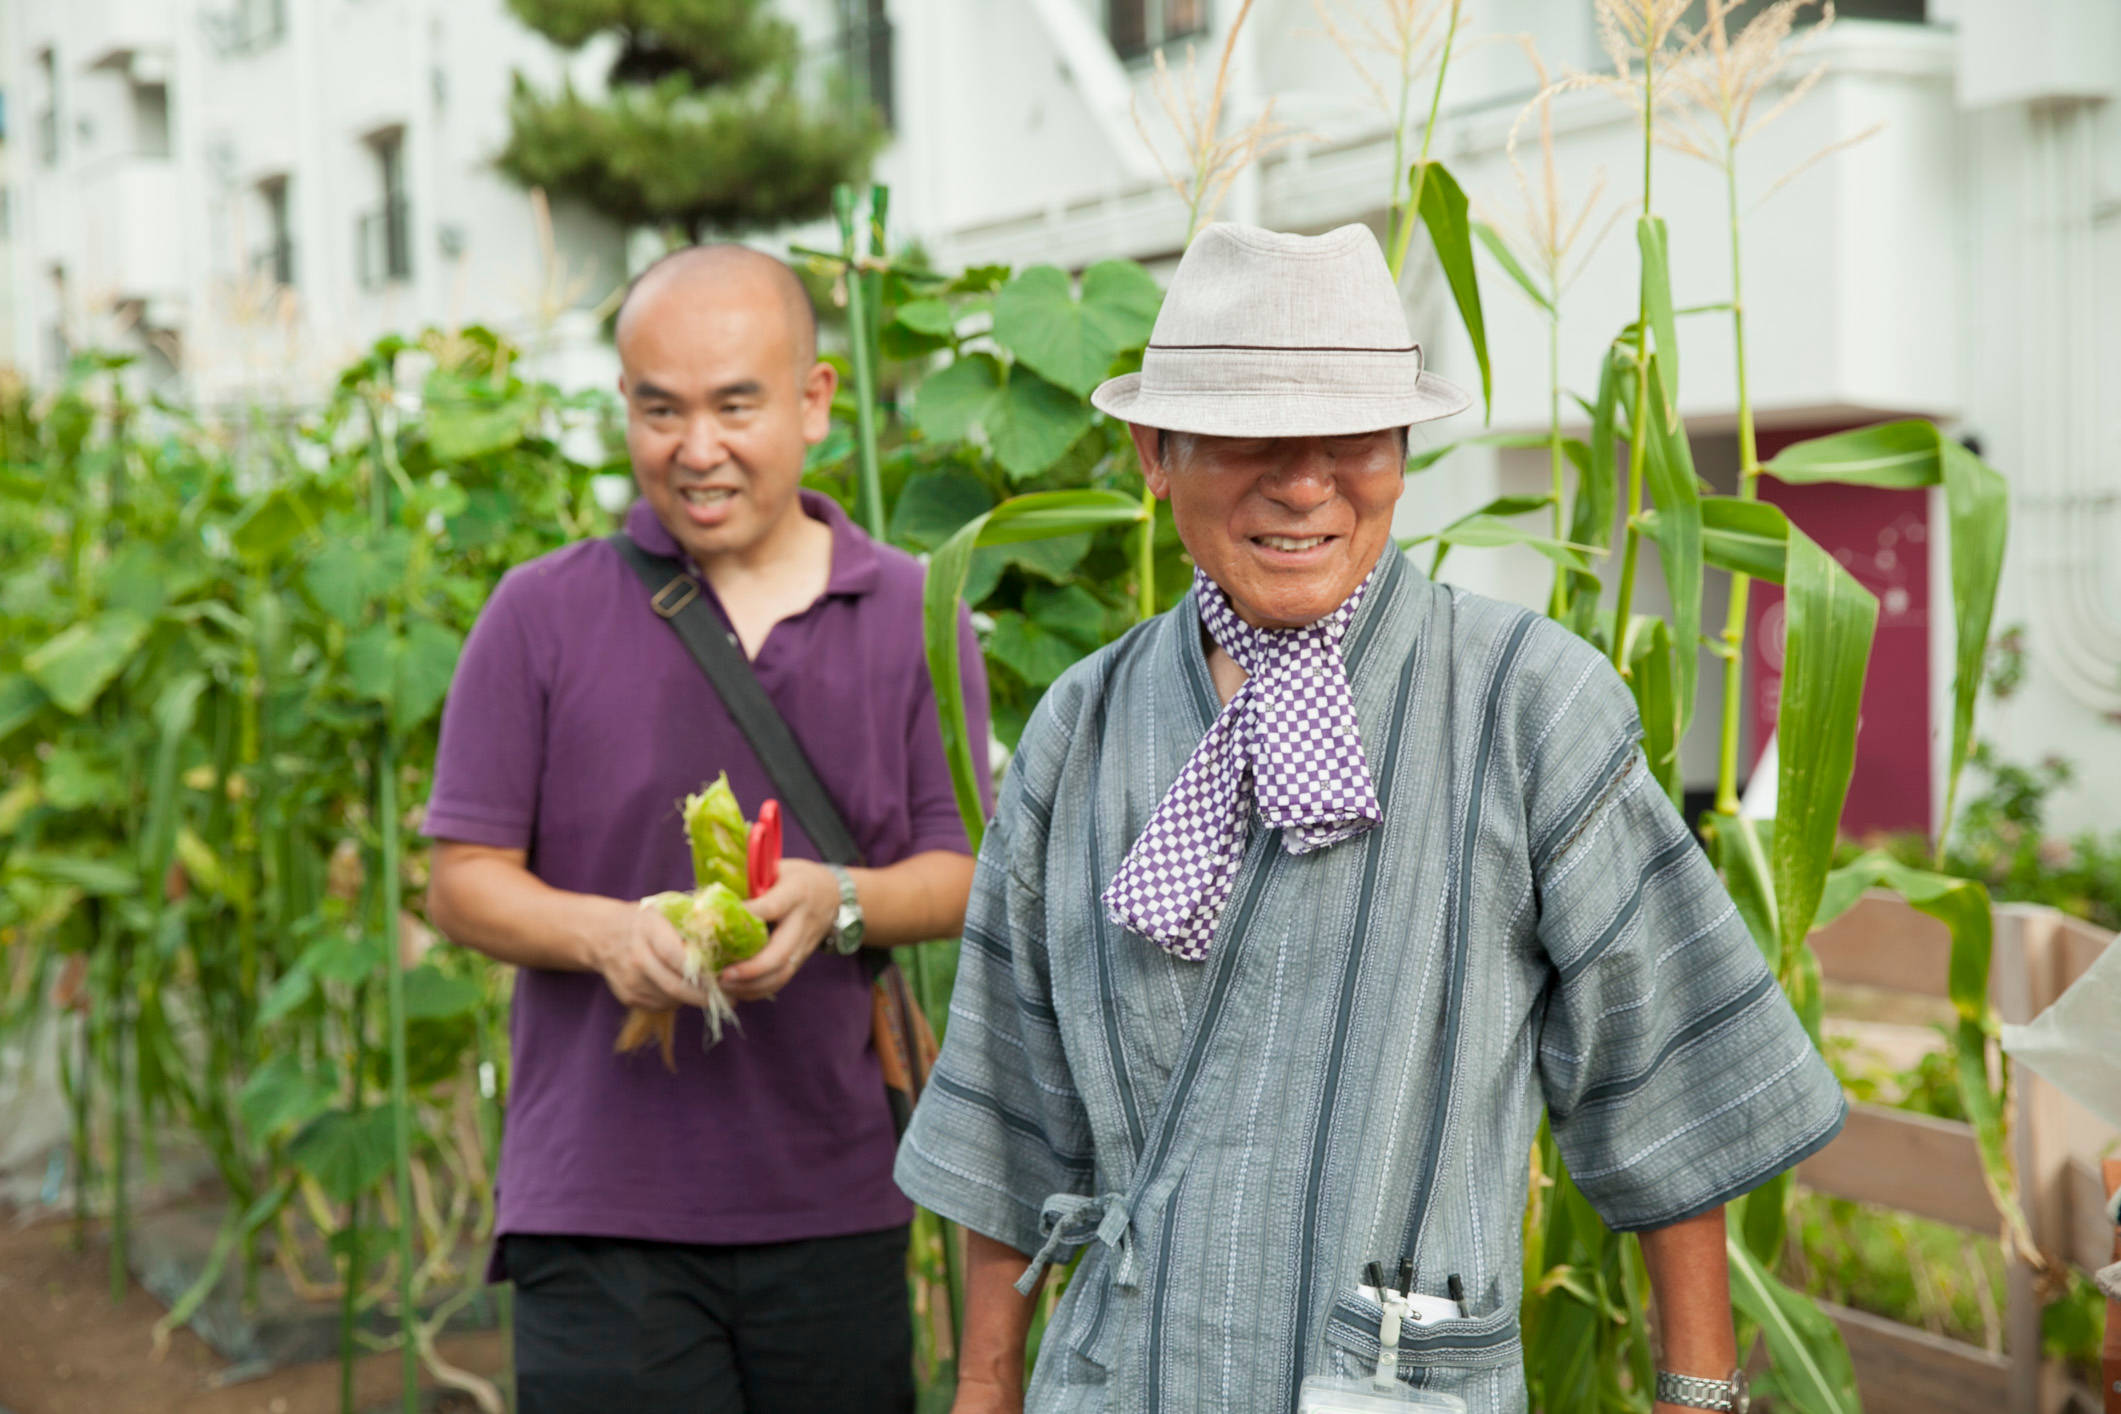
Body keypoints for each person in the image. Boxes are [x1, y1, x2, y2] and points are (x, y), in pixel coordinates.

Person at [894, 223, 1846, 1414]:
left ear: (1402, 450)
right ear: (1153, 450)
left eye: (1352, 436)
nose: (1305, 485)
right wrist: (984, 1392)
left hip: (1389, 1378)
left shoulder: (1520, 701)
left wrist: (1697, 1397)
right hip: (1119, 1380)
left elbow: (1666, 1070)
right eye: (1250, 437)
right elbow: (1009, 1122)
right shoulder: (1079, 729)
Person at [424, 244, 989, 1414]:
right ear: (623, 406)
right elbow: (463, 879)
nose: (697, 448)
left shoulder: (910, 615)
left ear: (815, 401)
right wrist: (606, 936)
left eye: (736, 404)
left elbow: (962, 872)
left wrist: (839, 900)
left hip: (834, 1191)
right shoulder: (541, 612)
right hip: (598, 1205)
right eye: (658, 408)